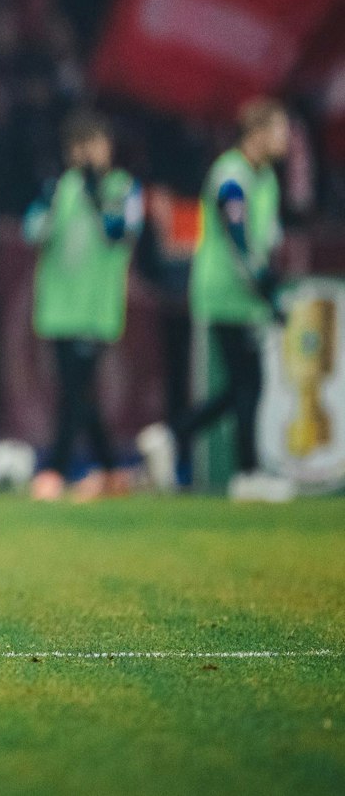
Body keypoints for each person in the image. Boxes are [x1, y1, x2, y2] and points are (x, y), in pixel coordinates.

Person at [139, 99, 292, 502]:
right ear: (256, 134)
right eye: (279, 130)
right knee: (248, 383)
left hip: (246, 294)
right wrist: (261, 283)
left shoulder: (267, 178)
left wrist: (267, 285)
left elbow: (266, 237)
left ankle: (172, 436)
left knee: (244, 385)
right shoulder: (231, 175)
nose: (286, 139)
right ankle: (247, 474)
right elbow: (235, 233)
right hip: (226, 291)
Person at [21, 112, 143, 503]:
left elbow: (121, 234)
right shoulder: (60, 188)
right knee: (80, 392)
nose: (88, 155)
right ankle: (110, 471)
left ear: (108, 148)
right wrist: (48, 202)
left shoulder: (125, 189)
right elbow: (32, 231)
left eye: (95, 145)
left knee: (75, 391)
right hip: (58, 307)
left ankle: (55, 469)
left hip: (96, 308)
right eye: (80, 148)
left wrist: (96, 199)